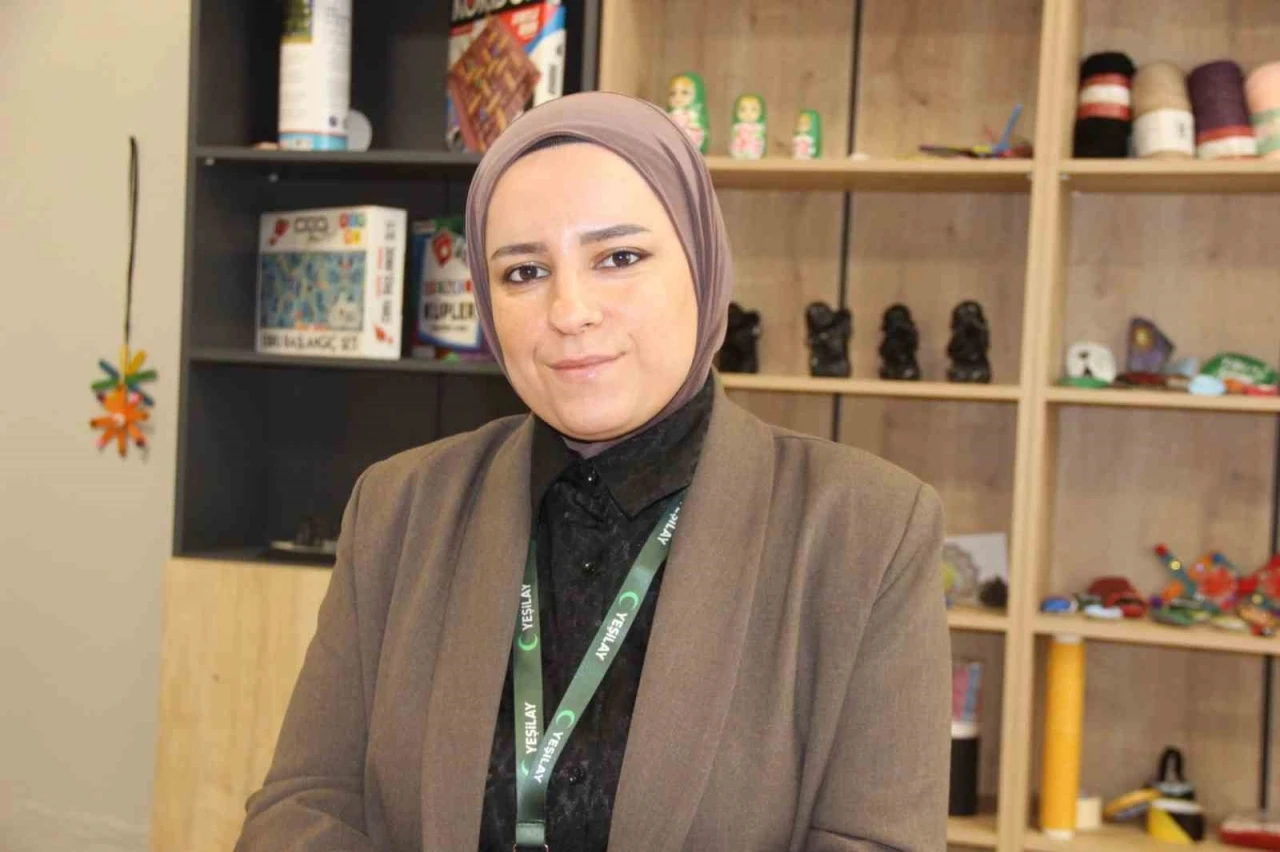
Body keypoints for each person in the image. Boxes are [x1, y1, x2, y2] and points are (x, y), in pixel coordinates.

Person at [236, 91, 949, 852]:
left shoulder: (867, 529)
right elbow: (303, 807)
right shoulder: (400, 508)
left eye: (619, 258)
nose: (569, 310)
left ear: (704, 266)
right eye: (524, 271)